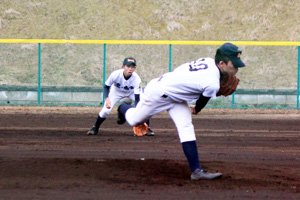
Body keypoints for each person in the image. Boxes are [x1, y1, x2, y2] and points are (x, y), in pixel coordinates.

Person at [117, 43, 245, 180]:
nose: (237, 68)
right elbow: (201, 104)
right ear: (221, 63)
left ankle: (197, 171)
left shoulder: (208, 61)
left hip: (176, 97)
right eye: (234, 64)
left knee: (186, 127)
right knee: (135, 120)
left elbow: (182, 69)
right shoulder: (212, 83)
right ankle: (122, 108)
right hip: (159, 93)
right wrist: (196, 108)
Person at [87, 57, 155, 136]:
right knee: (105, 110)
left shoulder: (136, 79)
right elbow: (106, 86)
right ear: (123, 67)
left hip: (131, 92)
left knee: (144, 105)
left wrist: (138, 112)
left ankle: (147, 128)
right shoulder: (115, 74)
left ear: (135, 68)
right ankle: (95, 128)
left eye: (132, 67)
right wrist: (107, 98)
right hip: (116, 92)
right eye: (128, 66)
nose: (130, 69)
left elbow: (137, 99)